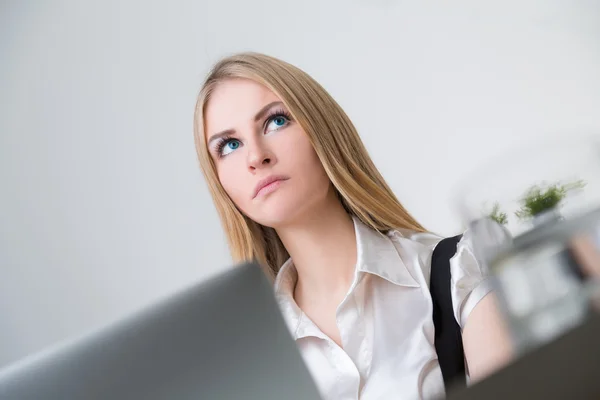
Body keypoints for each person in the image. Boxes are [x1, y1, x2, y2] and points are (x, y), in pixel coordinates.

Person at [193, 52, 513, 399]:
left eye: (276, 121)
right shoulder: (255, 362)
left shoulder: (459, 273)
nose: (256, 157)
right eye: (230, 145)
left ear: (322, 129)